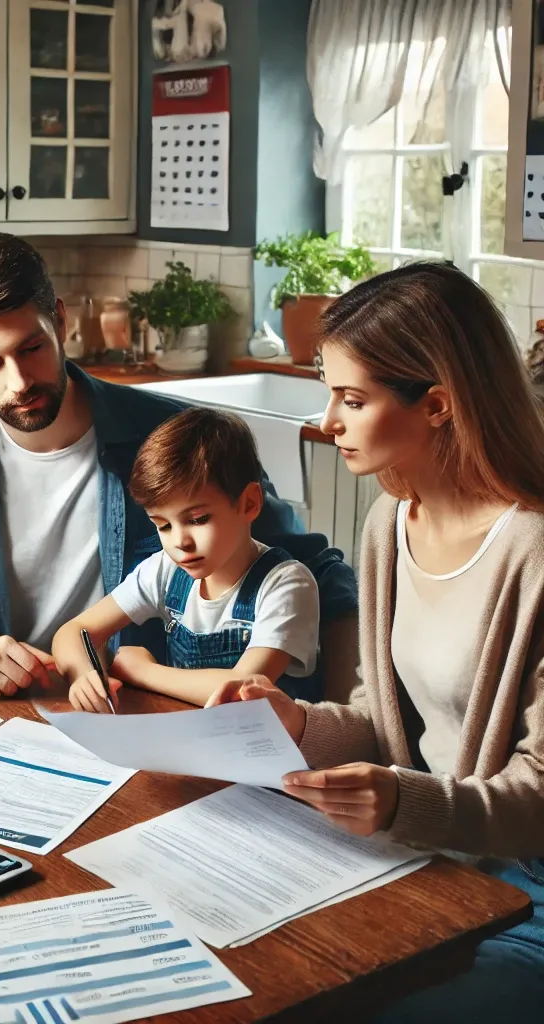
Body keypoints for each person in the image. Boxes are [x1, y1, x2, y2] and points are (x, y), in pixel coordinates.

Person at [206, 262, 544, 1021]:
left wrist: (400, 802)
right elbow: (385, 723)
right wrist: (299, 722)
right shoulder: (389, 526)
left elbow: (540, 801)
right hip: (426, 852)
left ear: (437, 405)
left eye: (352, 400)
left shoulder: (535, 551)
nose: (328, 422)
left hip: (525, 890)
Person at [0, 231, 357, 699]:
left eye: (32, 348)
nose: (19, 382)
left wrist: (346, 722)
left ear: (61, 320)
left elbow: (315, 573)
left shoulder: (170, 436)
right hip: (9, 703)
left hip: (142, 709)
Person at [53, 406, 319, 712]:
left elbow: (243, 692)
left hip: (270, 752)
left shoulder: (286, 584)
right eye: (163, 525)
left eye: (198, 519)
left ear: (249, 503)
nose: (180, 542)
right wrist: (84, 675)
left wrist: (143, 672)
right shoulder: (165, 571)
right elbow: (72, 632)